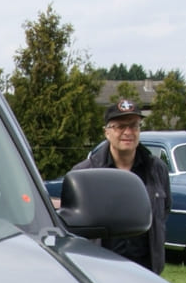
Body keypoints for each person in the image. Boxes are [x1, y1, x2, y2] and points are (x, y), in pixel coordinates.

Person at [70, 99, 171, 273]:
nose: (128, 132)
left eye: (134, 126)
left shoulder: (156, 169)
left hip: (146, 270)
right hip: (100, 270)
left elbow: (164, 210)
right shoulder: (85, 173)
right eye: (120, 126)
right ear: (107, 132)